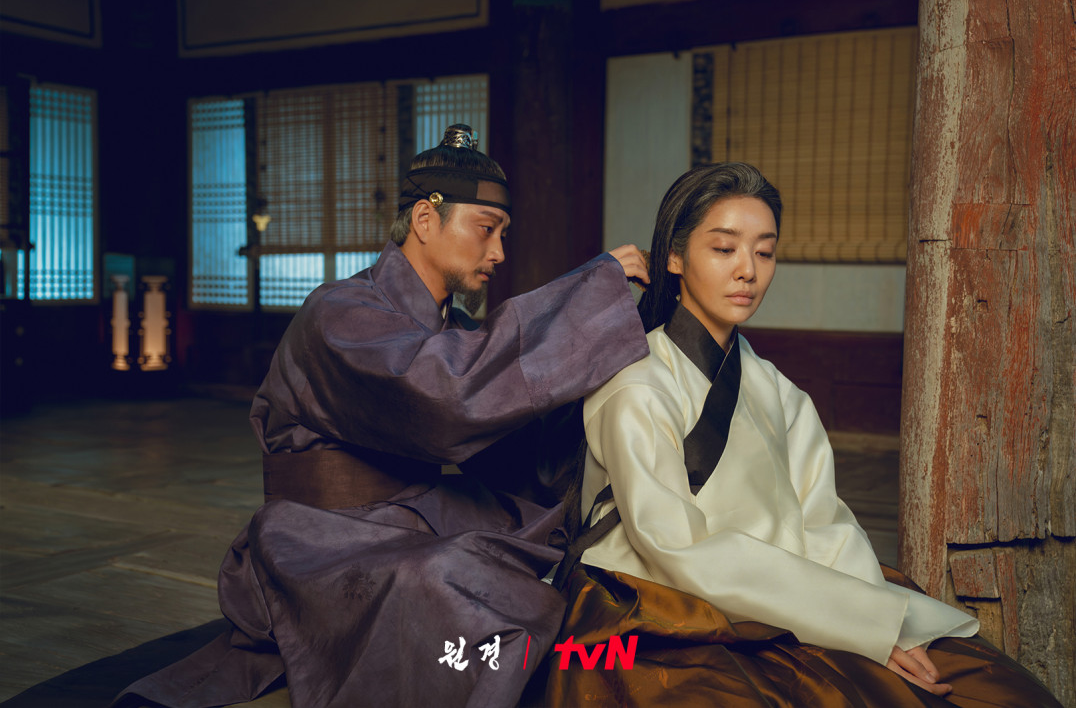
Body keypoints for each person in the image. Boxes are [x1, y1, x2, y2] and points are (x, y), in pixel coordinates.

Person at [113, 125, 650, 708]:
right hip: (322, 536)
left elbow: (511, 440)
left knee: (563, 562)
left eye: (503, 235)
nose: (498, 253)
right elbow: (446, 395)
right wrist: (585, 294)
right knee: (455, 588)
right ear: (425, 219)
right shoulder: (339, 312)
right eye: (485, 229)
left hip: (415, 517)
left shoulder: (455, 330)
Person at [545, 162, 1063, 707]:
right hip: (650, 596)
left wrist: (871, 618)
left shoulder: (776, 389)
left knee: (990, 690)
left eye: (764, 252)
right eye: (724, 249)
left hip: (775, 588)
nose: (748, 270)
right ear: (674, 257)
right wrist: (852, 622)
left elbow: (823, 520)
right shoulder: (637, 383)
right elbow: (672, 544)